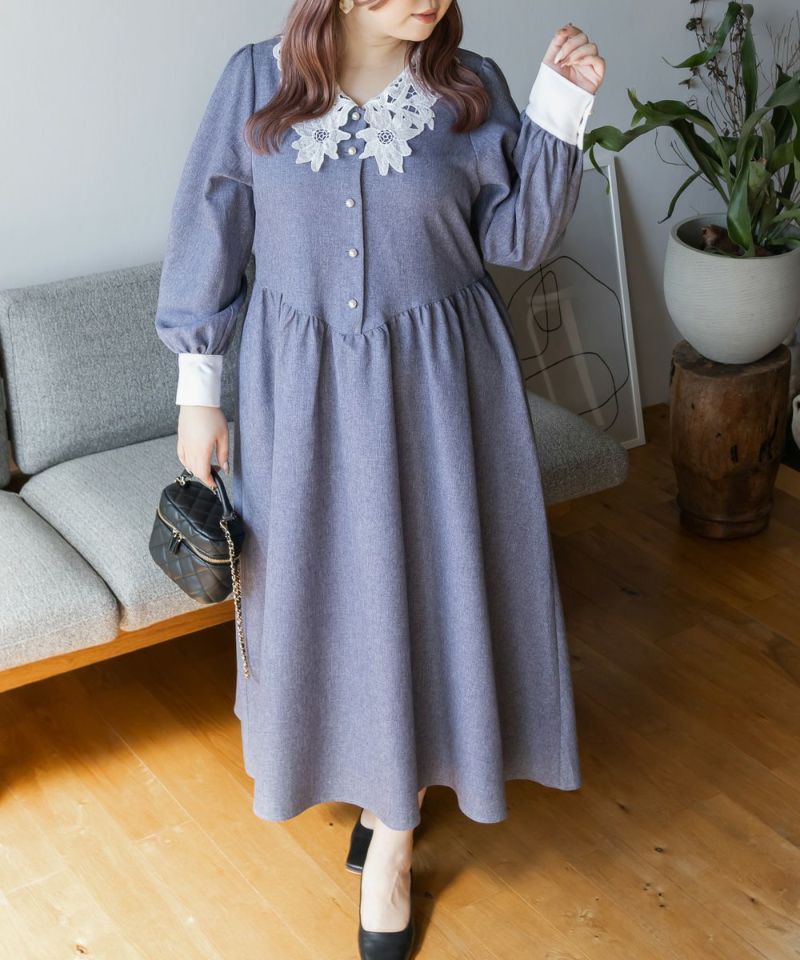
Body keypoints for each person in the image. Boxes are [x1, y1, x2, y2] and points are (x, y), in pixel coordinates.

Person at [154, 2, 604, 957]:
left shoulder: (468, 87)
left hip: (444, 394)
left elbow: (519, 241)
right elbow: (211, 223)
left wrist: (562, 108)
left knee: (434, 595)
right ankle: (378, 785)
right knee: (323, 601)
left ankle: (394, 836)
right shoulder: (257, 79)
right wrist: (199, 391)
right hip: (299, 396)